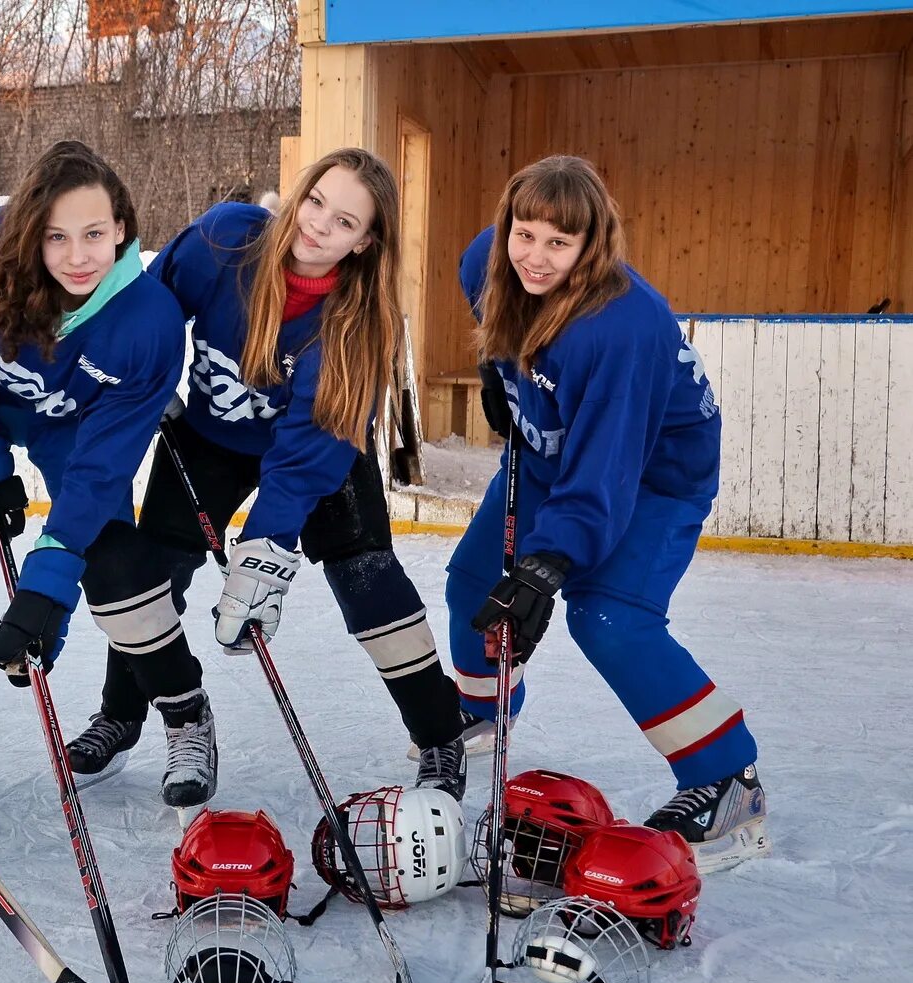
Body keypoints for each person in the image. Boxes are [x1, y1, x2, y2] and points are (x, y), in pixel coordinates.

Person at [64, 148, 469, 799]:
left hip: (319, 447)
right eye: (315, 203)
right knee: (152, 577)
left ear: (366, 242)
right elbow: (150, 302)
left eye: (343, 223)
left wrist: (269, 546)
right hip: (212, 437)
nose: (317, 226)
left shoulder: (356, 325)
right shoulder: (226, 240)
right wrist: (148, 369)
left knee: (367, 576)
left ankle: (441, 732)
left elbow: (308, 449)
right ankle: (120, 714)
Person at [448, 153, 769, 874]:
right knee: (474, 581)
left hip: (654, 471)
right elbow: (497, 315)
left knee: (609, 615)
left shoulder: (619, 328)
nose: (534, 256)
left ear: (592, 247)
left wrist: (548, 562)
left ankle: (727, 779)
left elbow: (605, 470)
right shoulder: (486, 260)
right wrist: (498, 372)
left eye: (558, 244)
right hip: (557, 444)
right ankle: (479, 713)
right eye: (524, 234)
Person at [0, 140, 221, 807]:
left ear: (123, 228)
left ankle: (187, 714)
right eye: (56, 236)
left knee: (112, 561)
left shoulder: (148, 322)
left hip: (71, 423)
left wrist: (45, 597)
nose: (77, 256)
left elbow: (100, 473)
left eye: (94, 234)